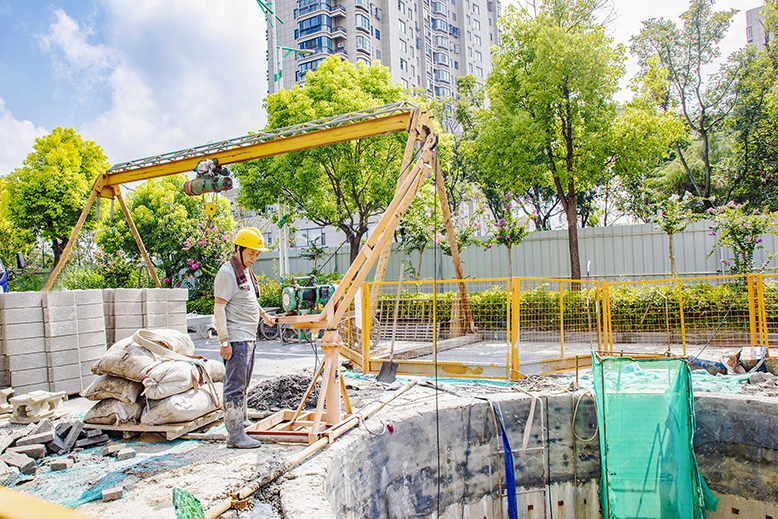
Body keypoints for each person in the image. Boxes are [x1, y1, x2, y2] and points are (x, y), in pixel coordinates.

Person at [213, 226, 276, 448]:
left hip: (249, 337)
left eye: (257, 254)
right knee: (234, 385)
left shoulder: (245, 272)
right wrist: (224, 341)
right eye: (251, 253)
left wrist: (263, 315)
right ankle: (234, 435)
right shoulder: (227, 273)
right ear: (238, 249)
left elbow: (249, 299)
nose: (254, 258)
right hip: (236, 339)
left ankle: (241, 421)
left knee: (244, 383)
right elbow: (219, 307)